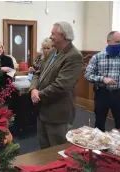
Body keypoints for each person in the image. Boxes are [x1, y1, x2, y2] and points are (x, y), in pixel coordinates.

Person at [30, 21, 83, 149]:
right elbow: (37, 72)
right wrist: (33, 89)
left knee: (57, 151)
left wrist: (39, 95)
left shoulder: (74, 56)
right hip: (43, 110)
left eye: (53, 33)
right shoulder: (53, 51)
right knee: (44, 149)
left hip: (58, 113)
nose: (50, 36)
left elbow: (62, 85)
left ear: (63, 35)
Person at [85, 31, 120, 132]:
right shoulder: (97, 57)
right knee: (99, 124)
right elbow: (87, 75)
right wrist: (102, 79)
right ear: (108, 41)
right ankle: (98, 147)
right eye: (117, 41)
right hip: (102, 94)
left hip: (119, 94)